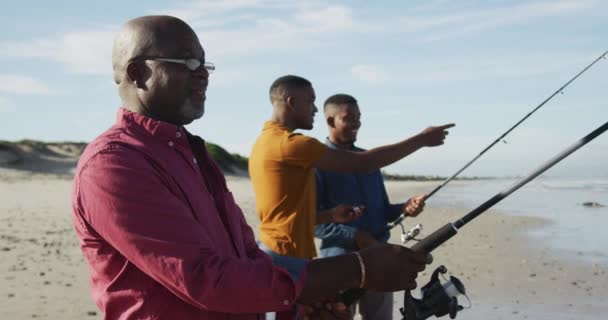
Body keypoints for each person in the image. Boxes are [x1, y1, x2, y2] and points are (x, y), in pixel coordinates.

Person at [71, 15, 431, 320]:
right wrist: (358, 269)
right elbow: (206, 279)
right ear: (138, 73)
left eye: (205, 65)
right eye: (188, 64)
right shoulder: (115, 164)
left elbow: (245, 255)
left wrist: (301, 296)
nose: (203, 76)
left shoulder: (191, 154)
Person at [249, 75, 453, 263]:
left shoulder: (266, 141)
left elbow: (289, 215)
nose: (315, 109)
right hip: (287, 255)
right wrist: (422, 139)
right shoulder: (291, 145)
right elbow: (365, 163)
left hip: (283, 251)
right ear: (292, 103)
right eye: (310, 101)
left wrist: (330, 215)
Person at [315, 94, 428, 320]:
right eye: (349, 118)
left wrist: (406, 208)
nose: (357, 123)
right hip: (338, 264)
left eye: (359, 117)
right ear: (330, 121)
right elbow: (313, 223)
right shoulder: (318, 163)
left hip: (381, 259)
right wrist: (357, 235)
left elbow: (384, 211)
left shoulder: (370, 161)